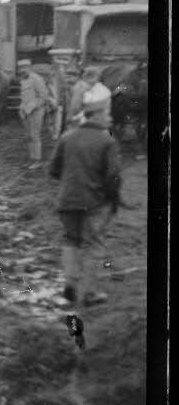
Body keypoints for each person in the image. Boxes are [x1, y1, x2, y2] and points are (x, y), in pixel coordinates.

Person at [48, 83, 121, 308]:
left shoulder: (67, 137)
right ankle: (89, 293)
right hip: (93, 203)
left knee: (71, 241)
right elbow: (113, 177)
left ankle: (69, 287)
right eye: (106, 114)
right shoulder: (107, 141)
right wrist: (114, 199)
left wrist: (72, 183)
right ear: (96, 114)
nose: (108, 118)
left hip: (67, 200)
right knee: (94, 245)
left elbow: (53, 170)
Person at [18, 61, 56, 167]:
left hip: (36, 111)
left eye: (24, 67)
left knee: (35, 135)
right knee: (28, 136)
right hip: (26, 111)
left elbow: (43, 96)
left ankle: (37, 160)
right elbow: (24, 96)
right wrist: (22, 107)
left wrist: (31, 107)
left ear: (29, 67)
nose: (22, 69)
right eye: (20, 67)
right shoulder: (23, 79)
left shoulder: (36, 79)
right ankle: (32, 158)